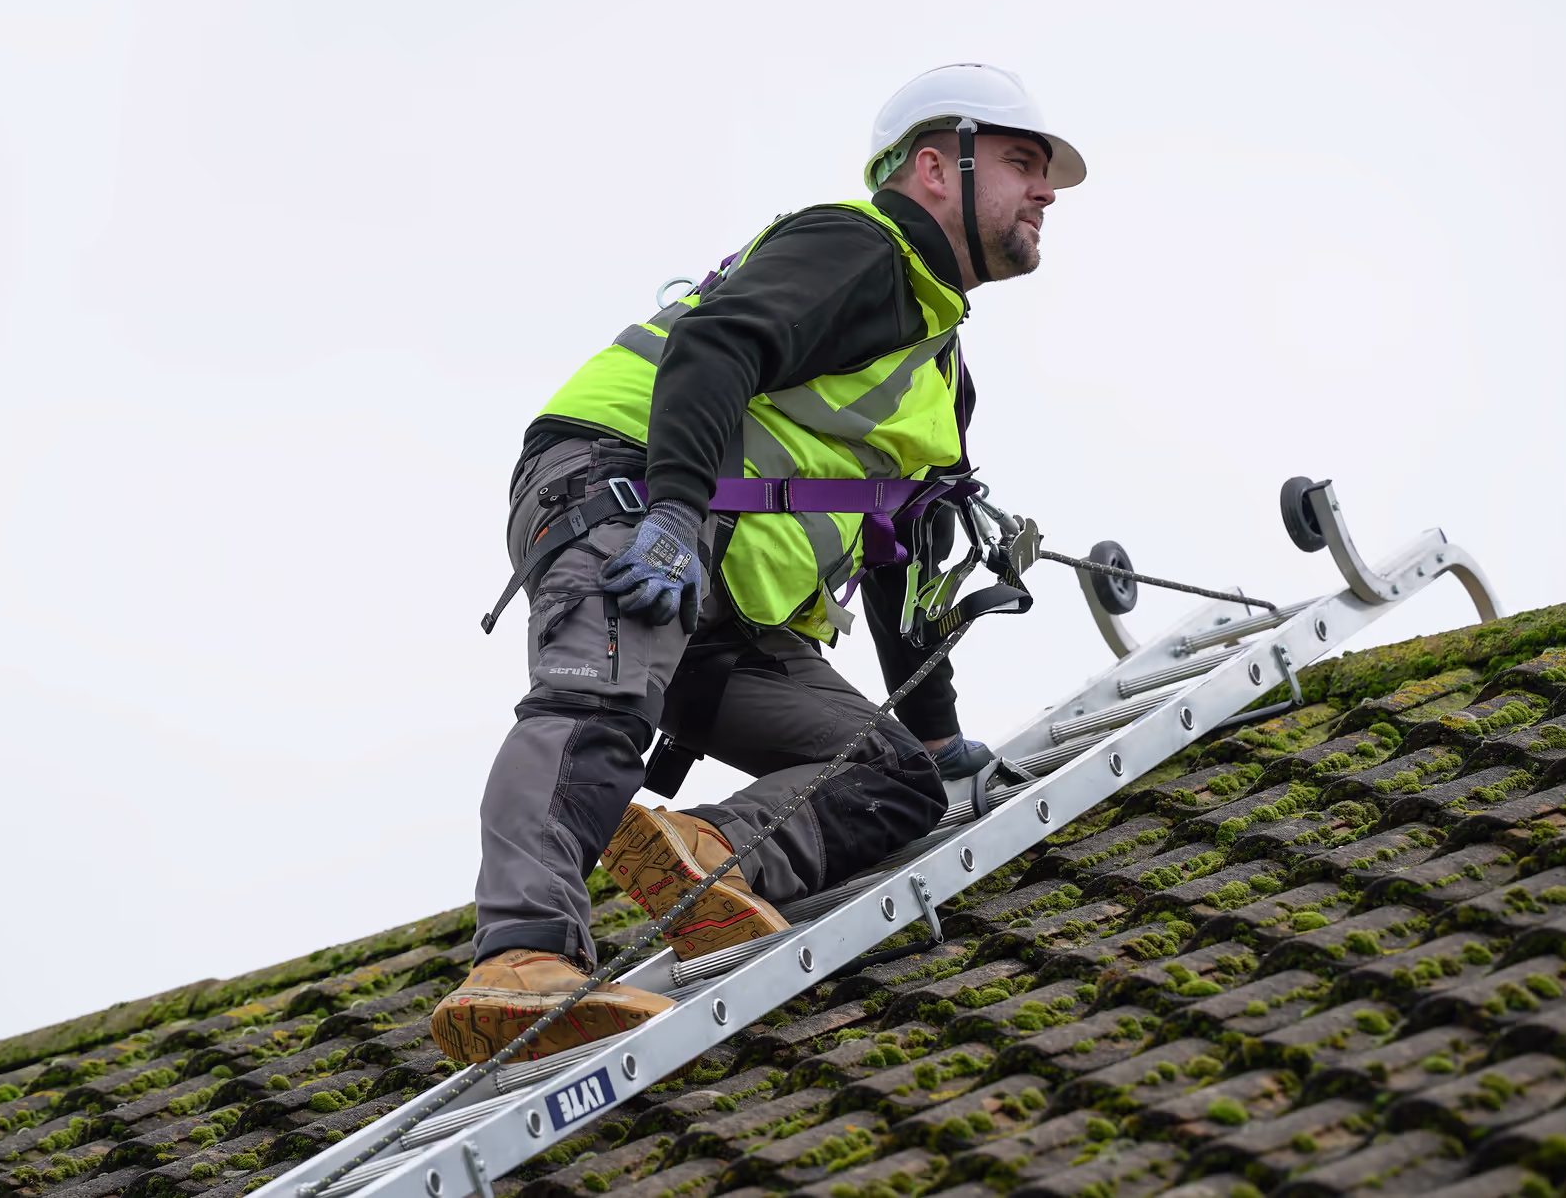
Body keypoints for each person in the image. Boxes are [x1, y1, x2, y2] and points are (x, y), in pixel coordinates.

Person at [430, 63, 1085, 1063]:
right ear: (931, 168)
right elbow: (713, 344)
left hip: (726, 603)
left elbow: (897, 560)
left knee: (890, 780)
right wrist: (672, 518)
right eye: (1019, 162)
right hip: (624, 493)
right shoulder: (854, 247)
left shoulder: (938, 379)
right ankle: (519, 959)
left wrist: (939, 737)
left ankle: (709, 855)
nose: (1044, 190)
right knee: (599, 704)